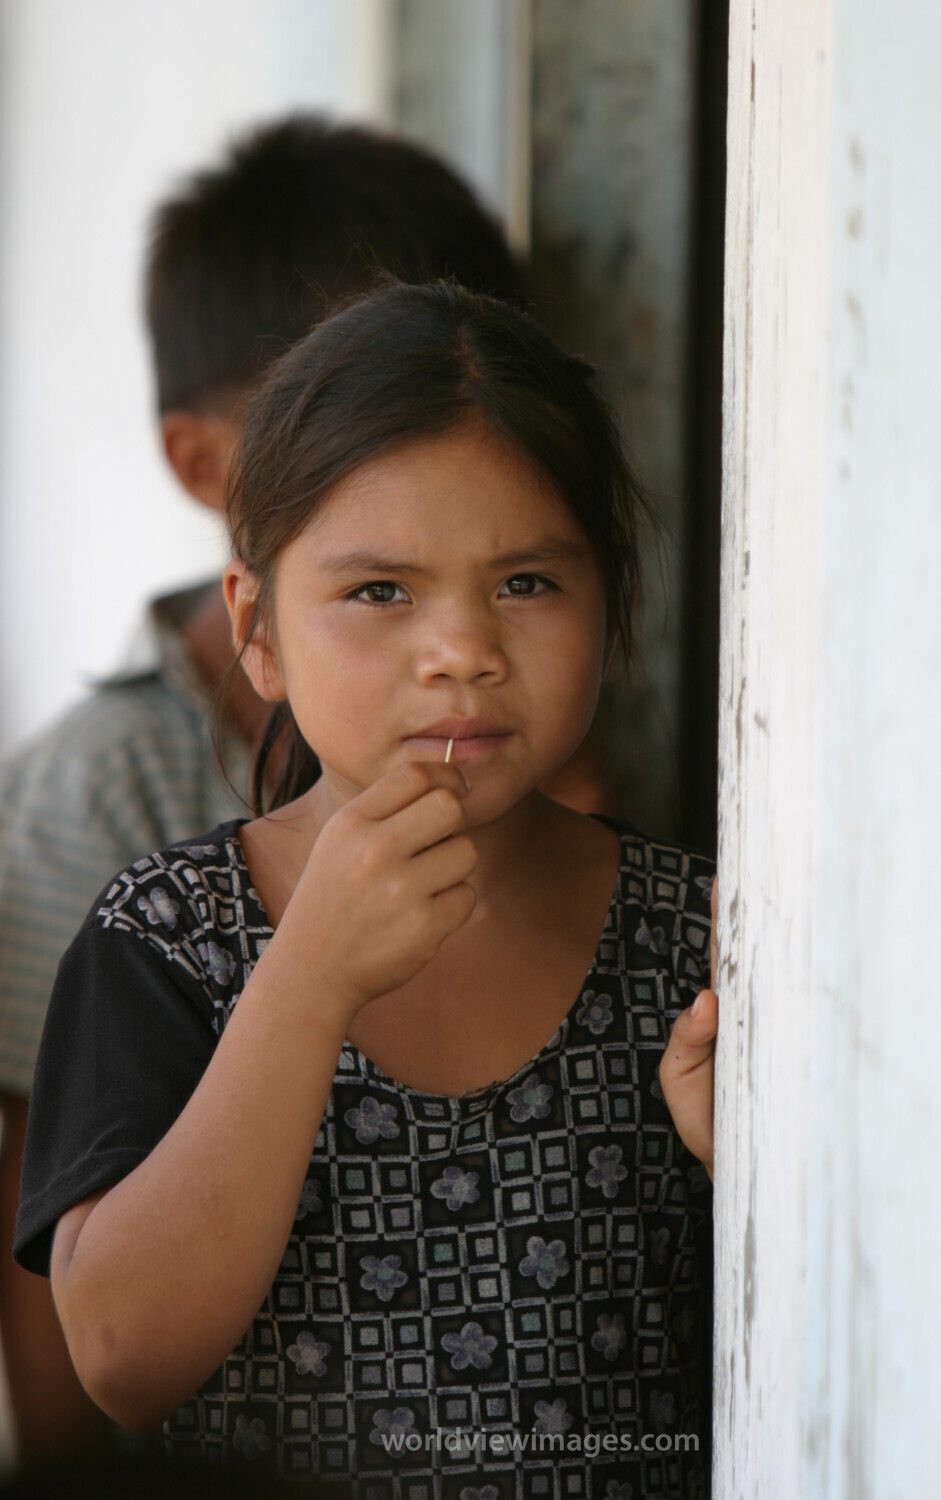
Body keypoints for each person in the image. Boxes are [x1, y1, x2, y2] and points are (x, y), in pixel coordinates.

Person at [15, 282, 717, 1499]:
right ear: (258, 630)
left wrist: (752, 1171)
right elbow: (119, 1359)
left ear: (613, 607)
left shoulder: (697, 940)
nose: (460, 650)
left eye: (527, 584)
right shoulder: (169, 941)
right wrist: (305, 981)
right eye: (380, 591)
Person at [0, 116, 529, 1466]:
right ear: (202, 466)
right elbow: (51, 1254)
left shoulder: (515, 725)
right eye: (338, 402)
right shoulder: (104, 797)